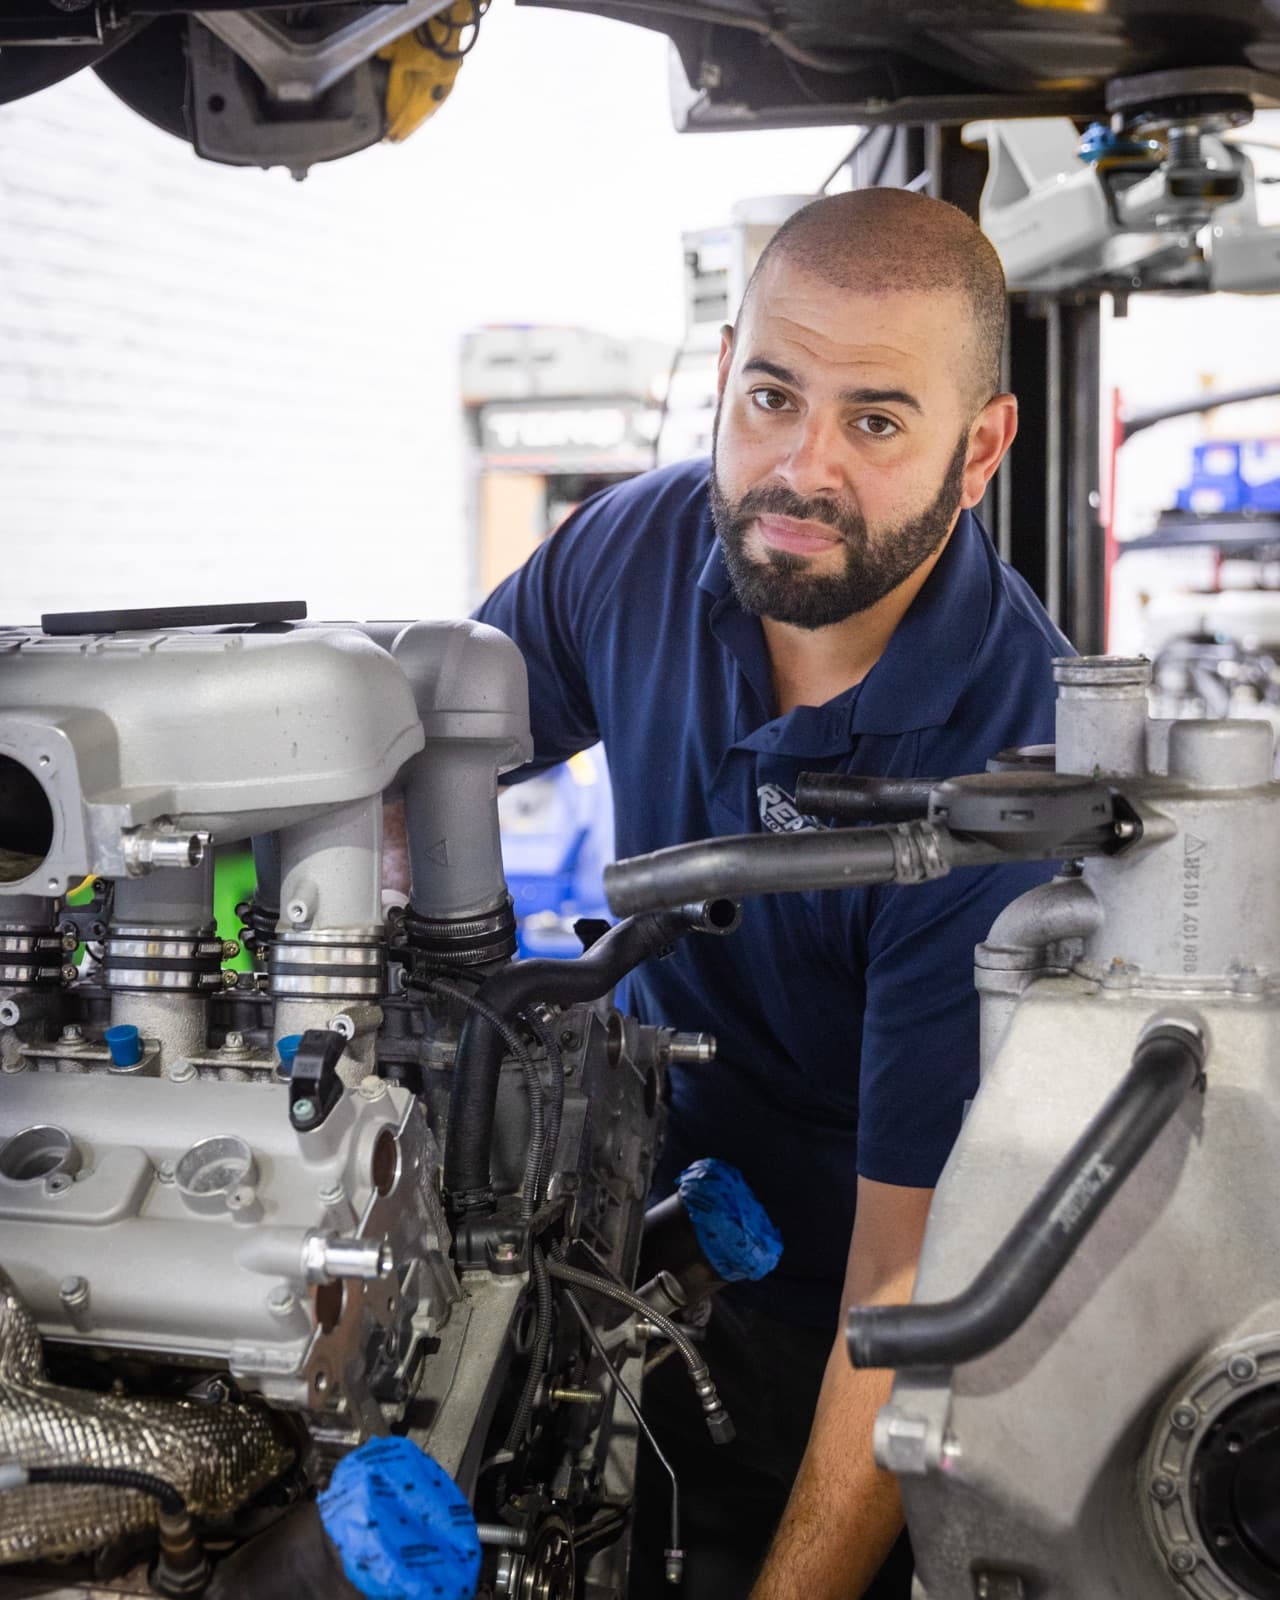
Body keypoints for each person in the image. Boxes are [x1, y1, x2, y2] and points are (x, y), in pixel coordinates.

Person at [475, 186, 1071, 1598]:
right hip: (625, 1231)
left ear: (980, 448)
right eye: (770, 396)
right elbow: (417, 752)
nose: (797, 471)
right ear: (729, 361)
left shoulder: (1002, 780)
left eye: (875, 422)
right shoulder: (632, 549)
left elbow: (906, 1300)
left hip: (840, 1331)